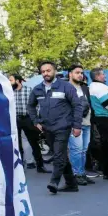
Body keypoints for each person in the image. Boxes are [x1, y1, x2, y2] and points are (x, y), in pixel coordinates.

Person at [28, 61, 83, 194]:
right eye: (43, 71)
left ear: (54, 71)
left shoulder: (66, 87)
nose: (46, 73)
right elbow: (30, 106)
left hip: (63, 126)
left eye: (48, 70)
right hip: (47, 128)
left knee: (58, 155)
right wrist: (36, 121)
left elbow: (77, 106)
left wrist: (77, 125)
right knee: (61, 155)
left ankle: (54, 182)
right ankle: (72, 184)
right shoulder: (37, 89)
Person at [9, 73, 50, 173]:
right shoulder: (9, 92)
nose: (9, 82)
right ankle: (20, 168)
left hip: (28, 119)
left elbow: (36, 105)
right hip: (15, 120)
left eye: (11, 80)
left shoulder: (28, 90)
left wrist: (36, 119)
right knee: (17, 144)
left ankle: (40, 166)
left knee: (34, 142)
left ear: (18, 80)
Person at [67, 64, 95, 186]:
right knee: (76, 150)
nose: (80, 75)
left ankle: (82, 173)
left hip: (87, 123)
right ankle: (76, 174)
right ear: (70, 74)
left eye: (81, 73)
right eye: (77, 72)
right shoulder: (65, 87)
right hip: (74, 124)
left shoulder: (84, 87)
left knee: (83, 150)